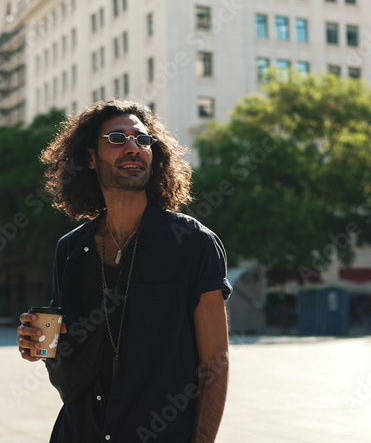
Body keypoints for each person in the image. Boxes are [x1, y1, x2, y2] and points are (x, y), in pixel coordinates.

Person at [16, 100, 233, 442]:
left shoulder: (193, 243)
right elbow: (64, 354)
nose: (133, 147)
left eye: (143, 140)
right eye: (117, 138)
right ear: (89, 157)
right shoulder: (70, 250)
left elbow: (215, 365)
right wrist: (39, 346)